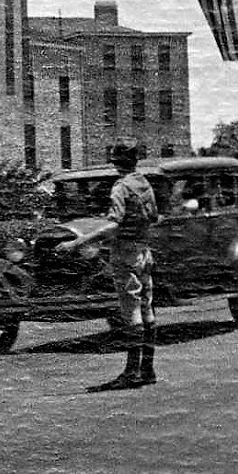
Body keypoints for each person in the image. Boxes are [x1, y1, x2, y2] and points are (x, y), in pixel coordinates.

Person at [95, 138, 160, 391]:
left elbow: (114, 223)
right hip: (144, 251)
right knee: (147, 309)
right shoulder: (144, 184)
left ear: (115, 162)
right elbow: (153, 216)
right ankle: (148, 368)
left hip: (125, 253)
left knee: (131, 311)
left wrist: (78, 242)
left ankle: (132, 371)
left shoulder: (120, 188)